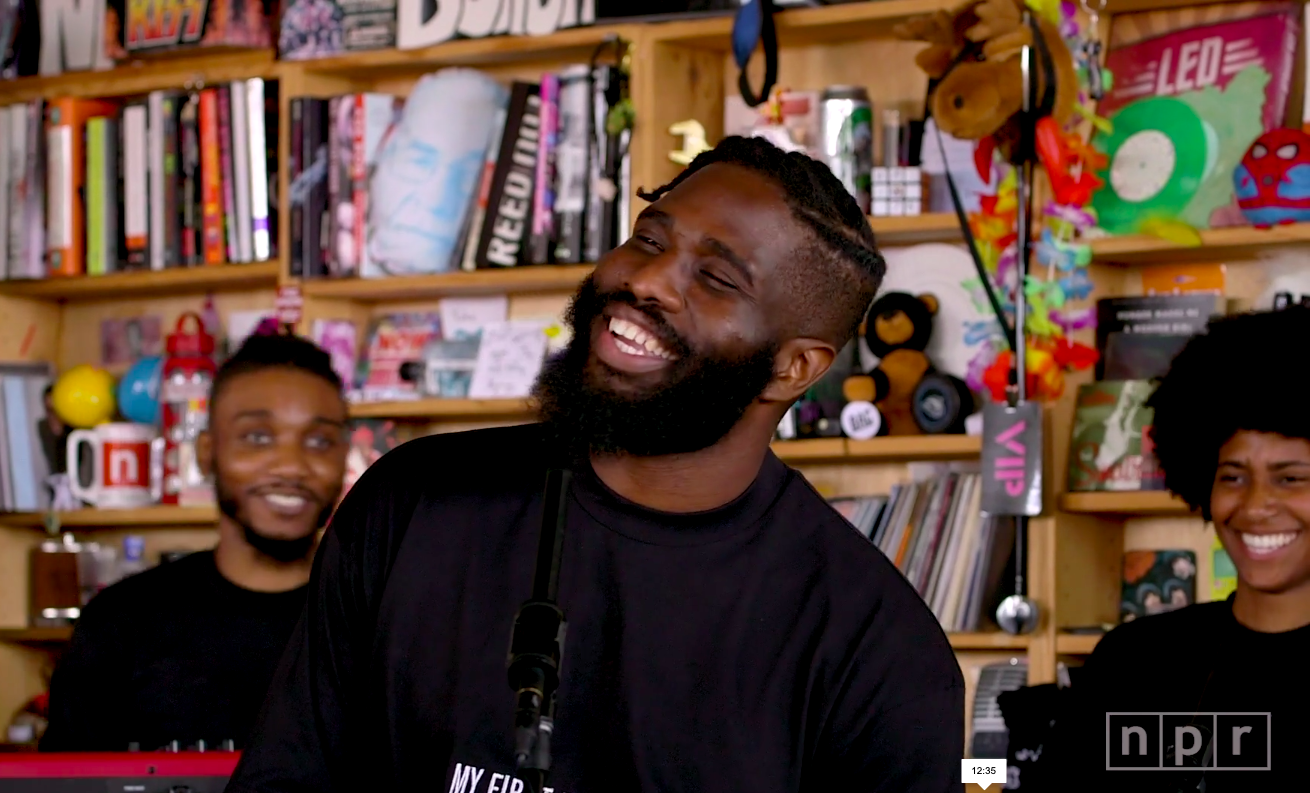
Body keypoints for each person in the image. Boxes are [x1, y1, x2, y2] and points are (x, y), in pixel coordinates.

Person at [226, 136, 966, 792]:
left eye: (716, 278)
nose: (645, 281)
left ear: (794, 366)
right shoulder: (414, 502)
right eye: (649, 238)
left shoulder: (878, 651)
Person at [38, 332, 350, 752]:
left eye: (319, 441)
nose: (291, 466)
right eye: (257, 437)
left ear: (344, 457)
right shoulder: (120, 624)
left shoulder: (377, 624)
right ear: (206, 453)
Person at [1050, 306, 1310, 792]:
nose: (1255, 507)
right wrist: (976, 772)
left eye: (1290, 478)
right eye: (1233, 477)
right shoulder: (1134, 662)